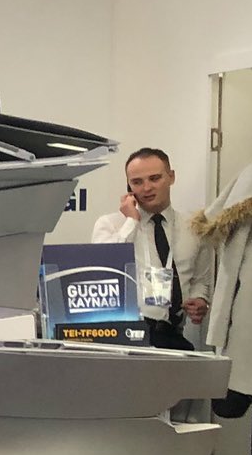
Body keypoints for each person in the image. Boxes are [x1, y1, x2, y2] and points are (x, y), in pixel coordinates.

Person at [91, 148, 213, 350]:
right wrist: (131, 221)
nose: (146, 188)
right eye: (137, 182)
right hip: (124, 336)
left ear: (171, 177)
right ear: (128, 186)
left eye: (155, 178)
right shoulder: (111, 224)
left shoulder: (193, 227)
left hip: (173, 336)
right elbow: (105, 270)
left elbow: (201, 280)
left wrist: (200, 299)